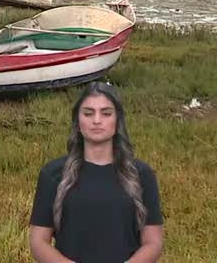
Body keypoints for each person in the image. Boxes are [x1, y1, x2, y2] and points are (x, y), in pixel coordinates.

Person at [29, 82, 164, 263]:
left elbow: (153, 242)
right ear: (78, 120)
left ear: (117, 121)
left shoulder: (141, 175)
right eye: (88, 113)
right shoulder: (53, 174)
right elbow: (39, 242)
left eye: (106, 113)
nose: (97, 120)